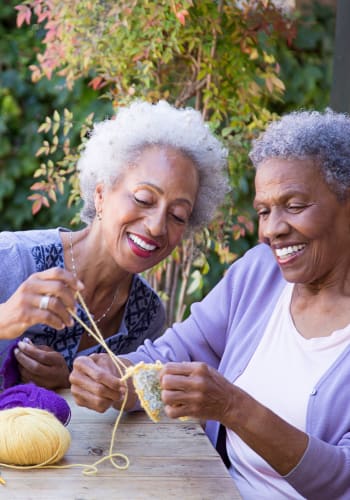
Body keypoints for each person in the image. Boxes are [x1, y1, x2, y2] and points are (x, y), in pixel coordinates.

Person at [70, 108, 350, 499]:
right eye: (264, 211)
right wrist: (116, 379)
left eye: (295, 205)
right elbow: (171, 354)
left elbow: (340, 479)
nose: (272, 230)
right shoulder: (259, 274)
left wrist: (234, 407)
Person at [0, 100, 228, 391]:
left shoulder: (145, 316)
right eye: (143, 200)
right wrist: (4, 319)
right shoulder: (12, 259)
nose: (157, 226)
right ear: (101, 194)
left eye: (177, 215)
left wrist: (66, 381)